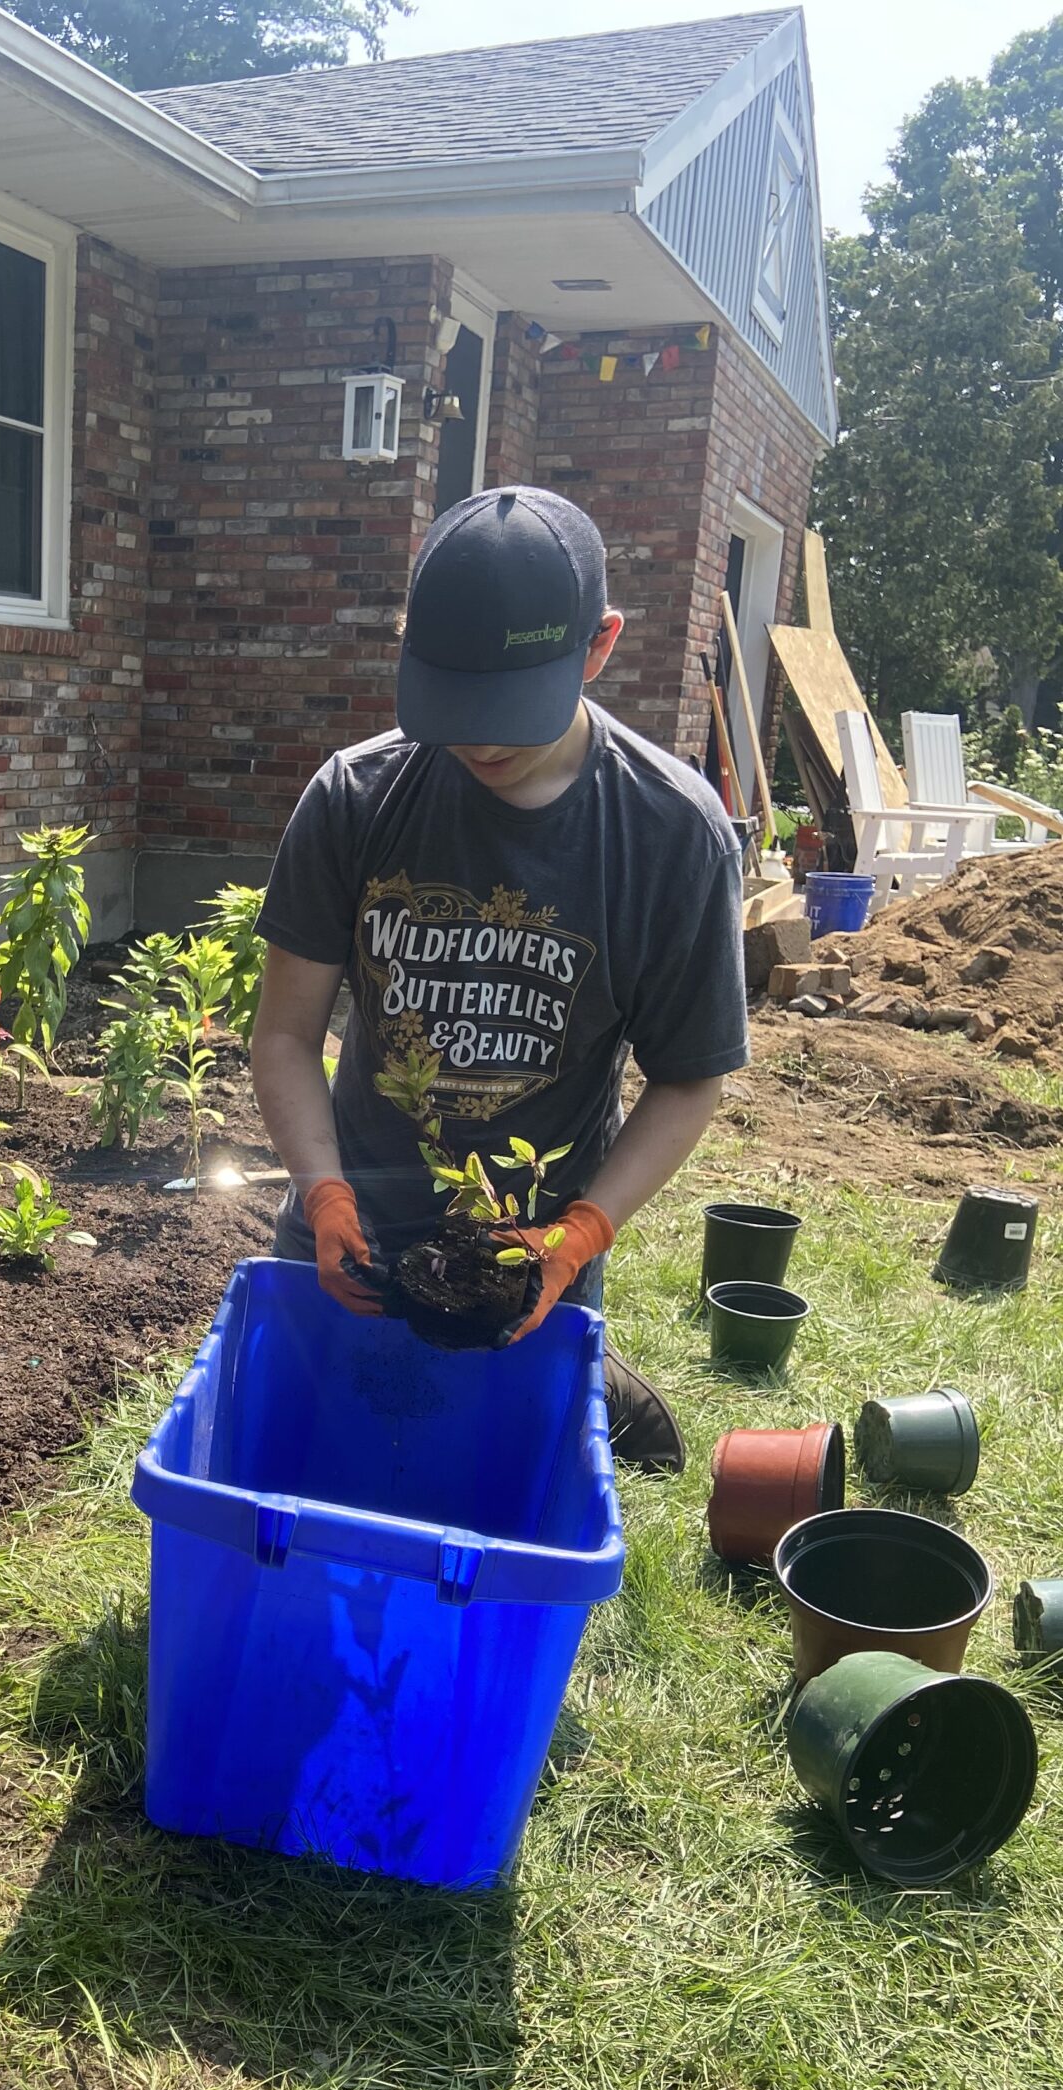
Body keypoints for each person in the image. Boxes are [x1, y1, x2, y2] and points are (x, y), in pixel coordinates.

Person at [249, 484, 750, 1470]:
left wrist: (584, 1230)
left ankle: (596, 1384)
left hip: (531, 1267)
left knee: (486, 1478)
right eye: (452, 705)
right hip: (348, 1236)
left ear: (599, 647)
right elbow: (285, 1035)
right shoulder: (356, 797)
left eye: (508, 711)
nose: (478, 740)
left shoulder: (671, 835)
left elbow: (690, 1079)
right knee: (318, 1473)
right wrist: (325, 1195)